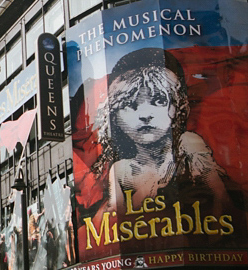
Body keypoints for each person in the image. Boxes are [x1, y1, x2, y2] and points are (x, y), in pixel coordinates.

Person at [92, 47, 231, 215]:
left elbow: (222, 199)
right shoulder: (121, 171)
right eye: (130, 105)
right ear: (115, 118)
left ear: (176, 107)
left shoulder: (188, 144)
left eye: (158, 100)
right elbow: (116, 218)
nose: (145, 115)